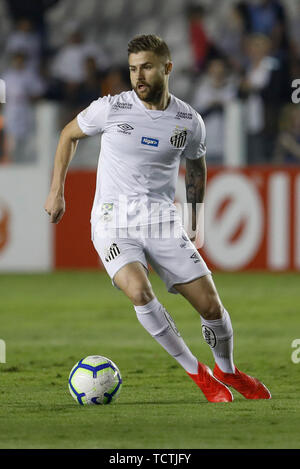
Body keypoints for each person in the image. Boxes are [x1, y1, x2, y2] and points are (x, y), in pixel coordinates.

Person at [44, 34, 271, 403]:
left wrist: (195, 217)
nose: (139, 76)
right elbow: (69, 134)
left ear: (167, 67)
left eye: (147, 67)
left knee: (211, 306)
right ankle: (199, 374)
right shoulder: (111, 108)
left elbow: (196, 165)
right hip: (112, 221)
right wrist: (57, 189)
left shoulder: (188, 121)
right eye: (133, 69)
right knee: (139, 290)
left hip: (163, 221)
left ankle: (227, 369)